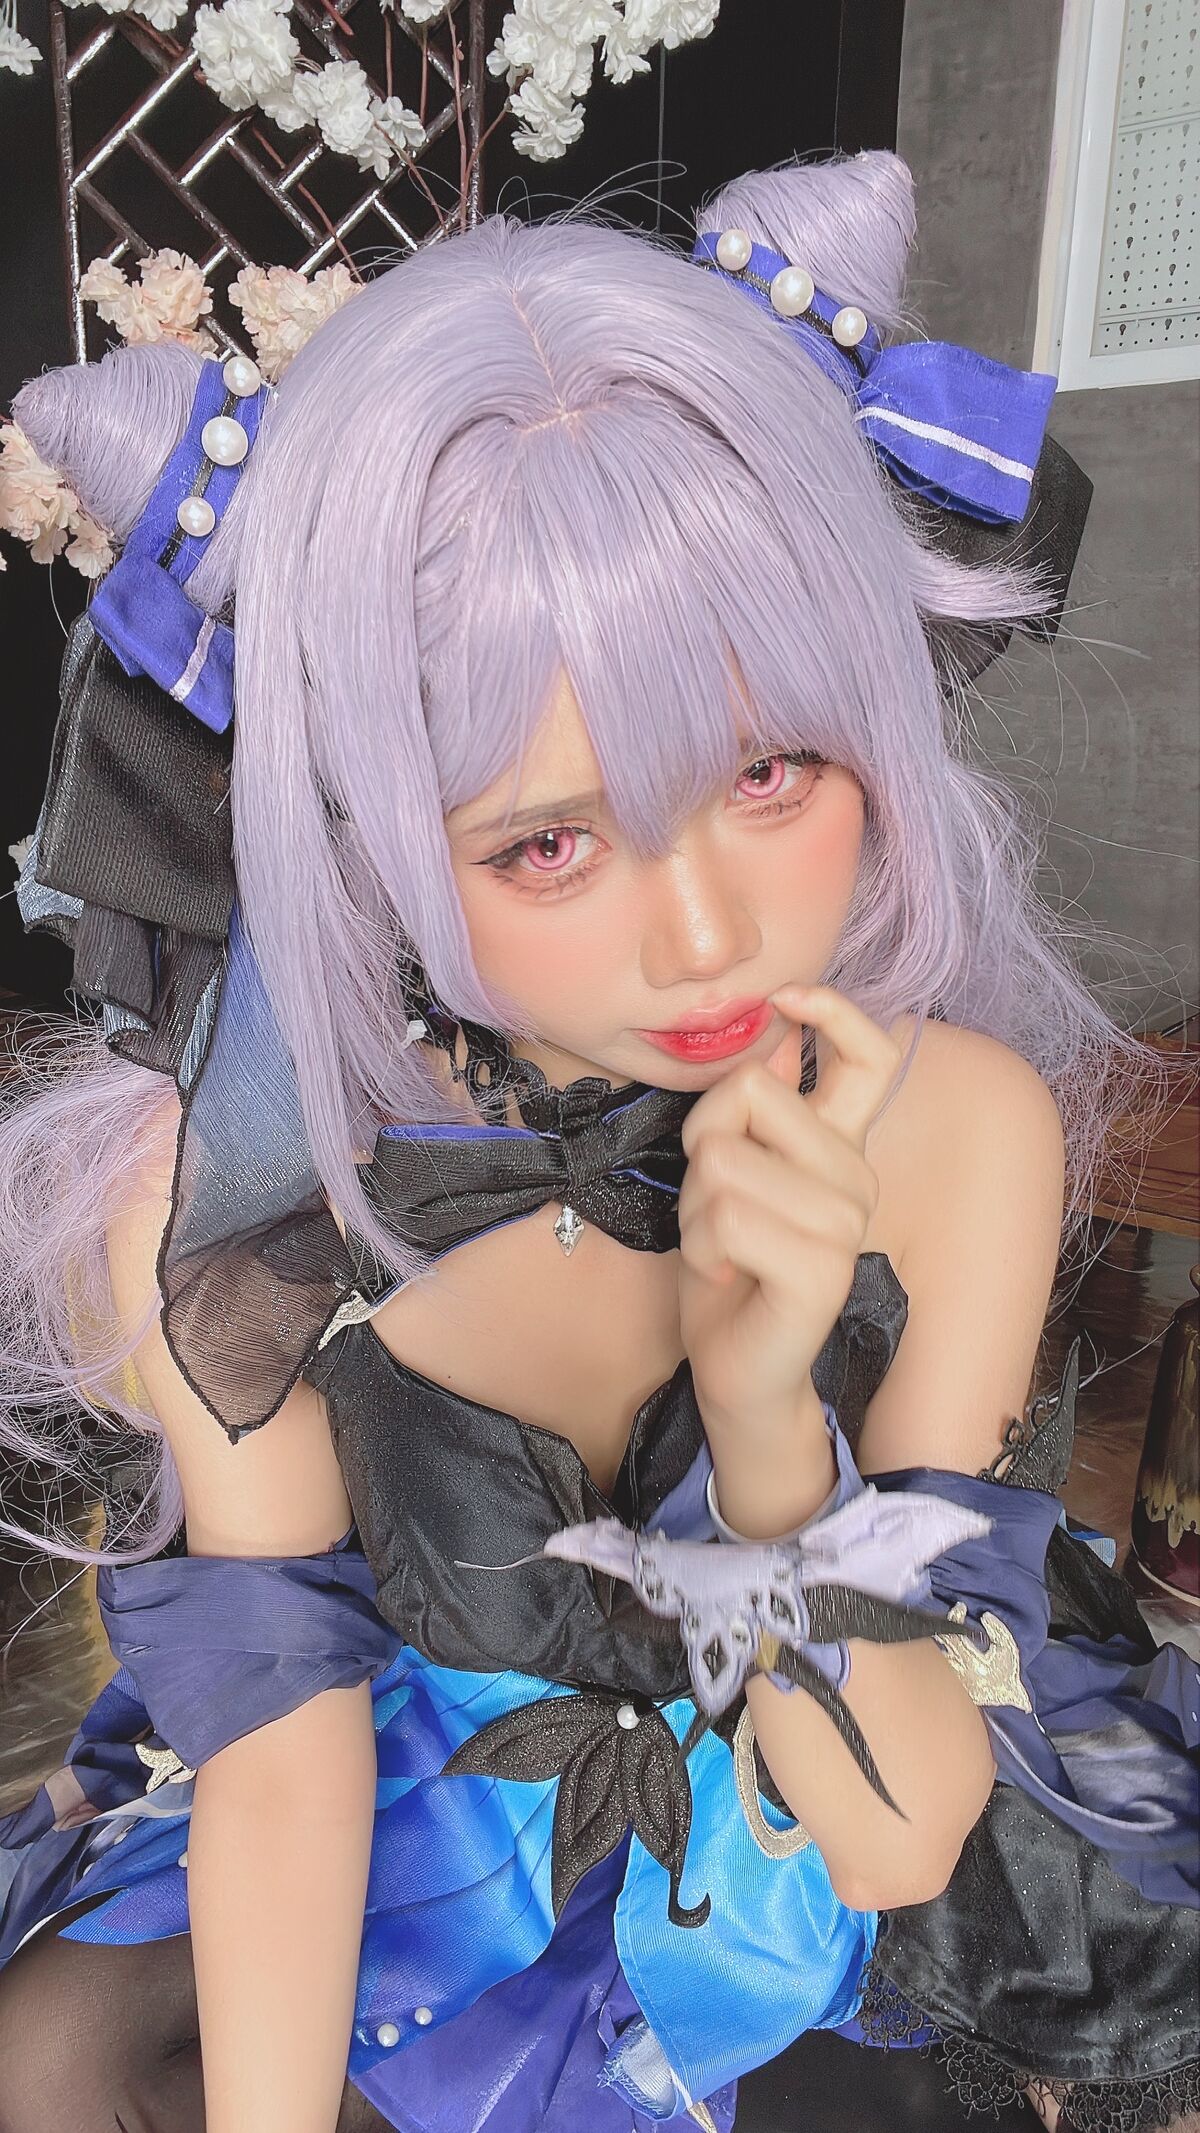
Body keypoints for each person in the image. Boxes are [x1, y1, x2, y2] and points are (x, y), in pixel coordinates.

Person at [0, 151, 1196, 2133]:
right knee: (65, 2065)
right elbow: (287, 1759)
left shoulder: (953, 1129)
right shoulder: (227, 1191)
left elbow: (898, 1835)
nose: (708, 935)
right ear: (365, 837)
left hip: (810, 1824)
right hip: (413, 1822)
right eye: (548, 841)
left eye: (772, 771)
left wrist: (770, 1429)